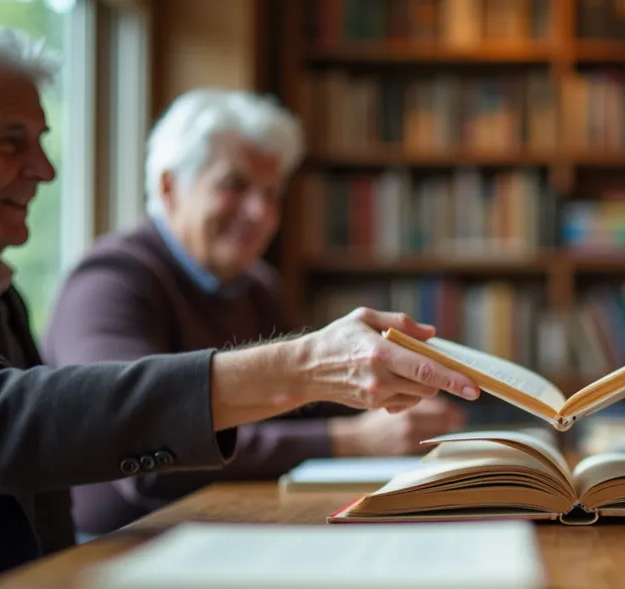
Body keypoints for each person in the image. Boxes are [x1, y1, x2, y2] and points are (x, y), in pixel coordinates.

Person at [0, 15, 477, 589]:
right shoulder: (108, 280)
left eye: (273, 195)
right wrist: (317, 385)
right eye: (11, 142)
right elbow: (3, 422)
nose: (46, 169)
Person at [42, 89, 465, 536]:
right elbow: (145, 451)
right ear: (169, 187)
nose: (260, 213)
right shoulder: (108, 283)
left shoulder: (257, 286)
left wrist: (396, 410)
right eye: (234, 185)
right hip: (115, 551)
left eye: (271, 193)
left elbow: (308, 409)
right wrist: (351, 440)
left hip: (228, 528)